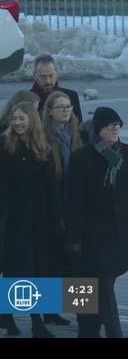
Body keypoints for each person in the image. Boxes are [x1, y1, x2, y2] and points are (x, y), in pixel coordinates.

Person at [0, 102, 58, 338]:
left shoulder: (44, 148)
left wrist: (55, 219)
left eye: (22, 119)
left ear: (32, 120)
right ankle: (17, 318)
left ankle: (34, 320)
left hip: (38, 219)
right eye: (15, 119)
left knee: (36, 270)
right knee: (15, 270)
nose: (18, 123)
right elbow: (0, 185)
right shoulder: (4, 146)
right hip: (14, 219)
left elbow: (50, 187)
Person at [66, 107, 128, 338]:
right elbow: (74, 201)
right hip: (92, 235)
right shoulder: (83, 158)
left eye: (117, 125)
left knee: (96, 292)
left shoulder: (125, 154)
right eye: (109, 125)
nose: (114, 129)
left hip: (119, 233)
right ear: (98, 130)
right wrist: (73, 239)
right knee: (102, 289)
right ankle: (114, 333)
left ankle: (88, 332)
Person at [41, 91, 82, 327]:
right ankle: (50, 310)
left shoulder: (76, 133)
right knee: (53, 262)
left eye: (68, 107)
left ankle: (79, 310)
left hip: (73, 204)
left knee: (72, 262)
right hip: (53, 206)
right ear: (50, 111)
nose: (65, 110)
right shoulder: (46, 137)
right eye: (60, 107)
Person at [30, 54, 83, 123]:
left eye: (51, 76)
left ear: (56, 72)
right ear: (34, 75)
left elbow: (79, 127)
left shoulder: (71, 96)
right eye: (43, 77)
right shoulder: (27, 99)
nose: (48, 81)